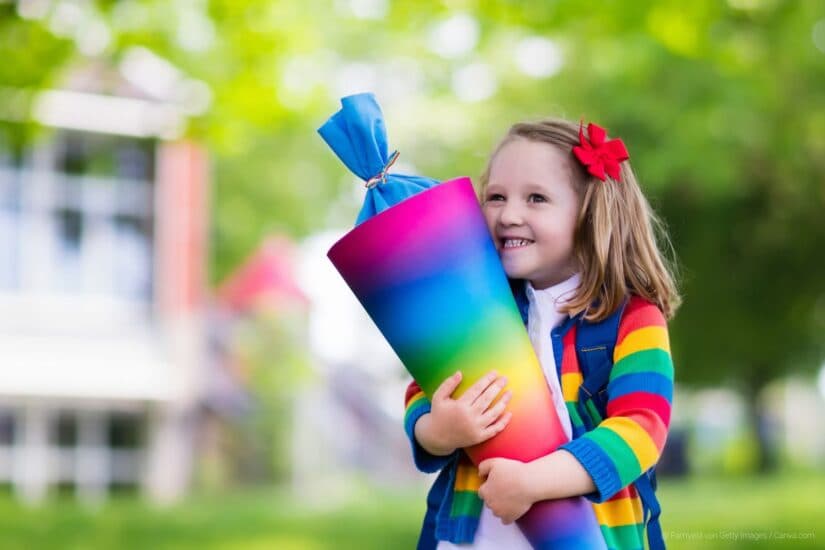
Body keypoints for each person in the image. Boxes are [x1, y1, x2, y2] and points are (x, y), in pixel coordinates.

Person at [403, 118, 681, 549]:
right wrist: (439, 431)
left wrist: (534, 481)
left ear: (591, 213)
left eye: (536, 198)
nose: (508, 215)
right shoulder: (476, 307)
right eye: (496, 197)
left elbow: (641, 428)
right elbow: (424, 389)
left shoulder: (632, 318)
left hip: (591, 535)